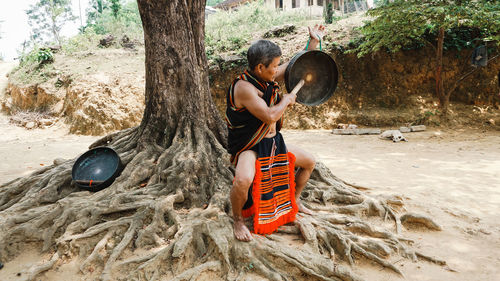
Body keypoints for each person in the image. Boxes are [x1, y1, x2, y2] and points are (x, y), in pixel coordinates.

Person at [226, 25, 325, 242]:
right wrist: (286, 100)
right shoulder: (244, 88)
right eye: (274, 67)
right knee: (243, 180)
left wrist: (313, 43)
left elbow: (294, 66)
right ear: (260, 67)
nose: (277, 71)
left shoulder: (266, 75)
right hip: (251, 146)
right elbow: (270, 116)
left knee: (309, 162)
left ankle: (295, 201)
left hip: (273, 142)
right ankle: (238, 220)